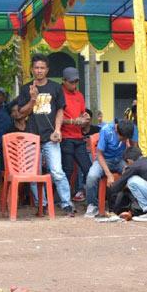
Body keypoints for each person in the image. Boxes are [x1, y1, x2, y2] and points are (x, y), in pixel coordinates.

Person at [18, 53, 76, 216]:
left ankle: (66, 203)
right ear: (31, 69)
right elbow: (21, 113)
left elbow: (60, 110)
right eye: (36, 68)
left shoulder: (56, 87)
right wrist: (32, 99)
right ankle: (42, 204)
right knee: (34, 174)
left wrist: (57, 130)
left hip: (51, 137)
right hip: (31, 139)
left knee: (57, 172)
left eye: (42, 68)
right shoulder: (26, 88)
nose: (39, 71)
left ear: (47, 70)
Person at [84, 119, 135, 217]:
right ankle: (92, 205)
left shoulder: (128, 129)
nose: (124, 141)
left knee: (133, 174)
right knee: (92, 176)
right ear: (116, 130)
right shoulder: (106, 130)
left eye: (126, 139)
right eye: (123, 138)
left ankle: (133, 205)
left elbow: (132, 149)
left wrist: (129, 166)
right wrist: (109, 174)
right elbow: (99, 154)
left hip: (120, 160)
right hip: (104, 159)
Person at [59, 67, 91, 206]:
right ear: (64, 81)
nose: (74, 85)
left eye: (76, 81)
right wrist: (73, 121)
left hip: (78, 137)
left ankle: (89, 198)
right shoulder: (58, 94)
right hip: (65, 137)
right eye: (71, 82)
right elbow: (55, 117)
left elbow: (83, 113)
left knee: (88, 168)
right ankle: (64, 200)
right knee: (67, 169)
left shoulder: (79, 95)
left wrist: (86, 117)